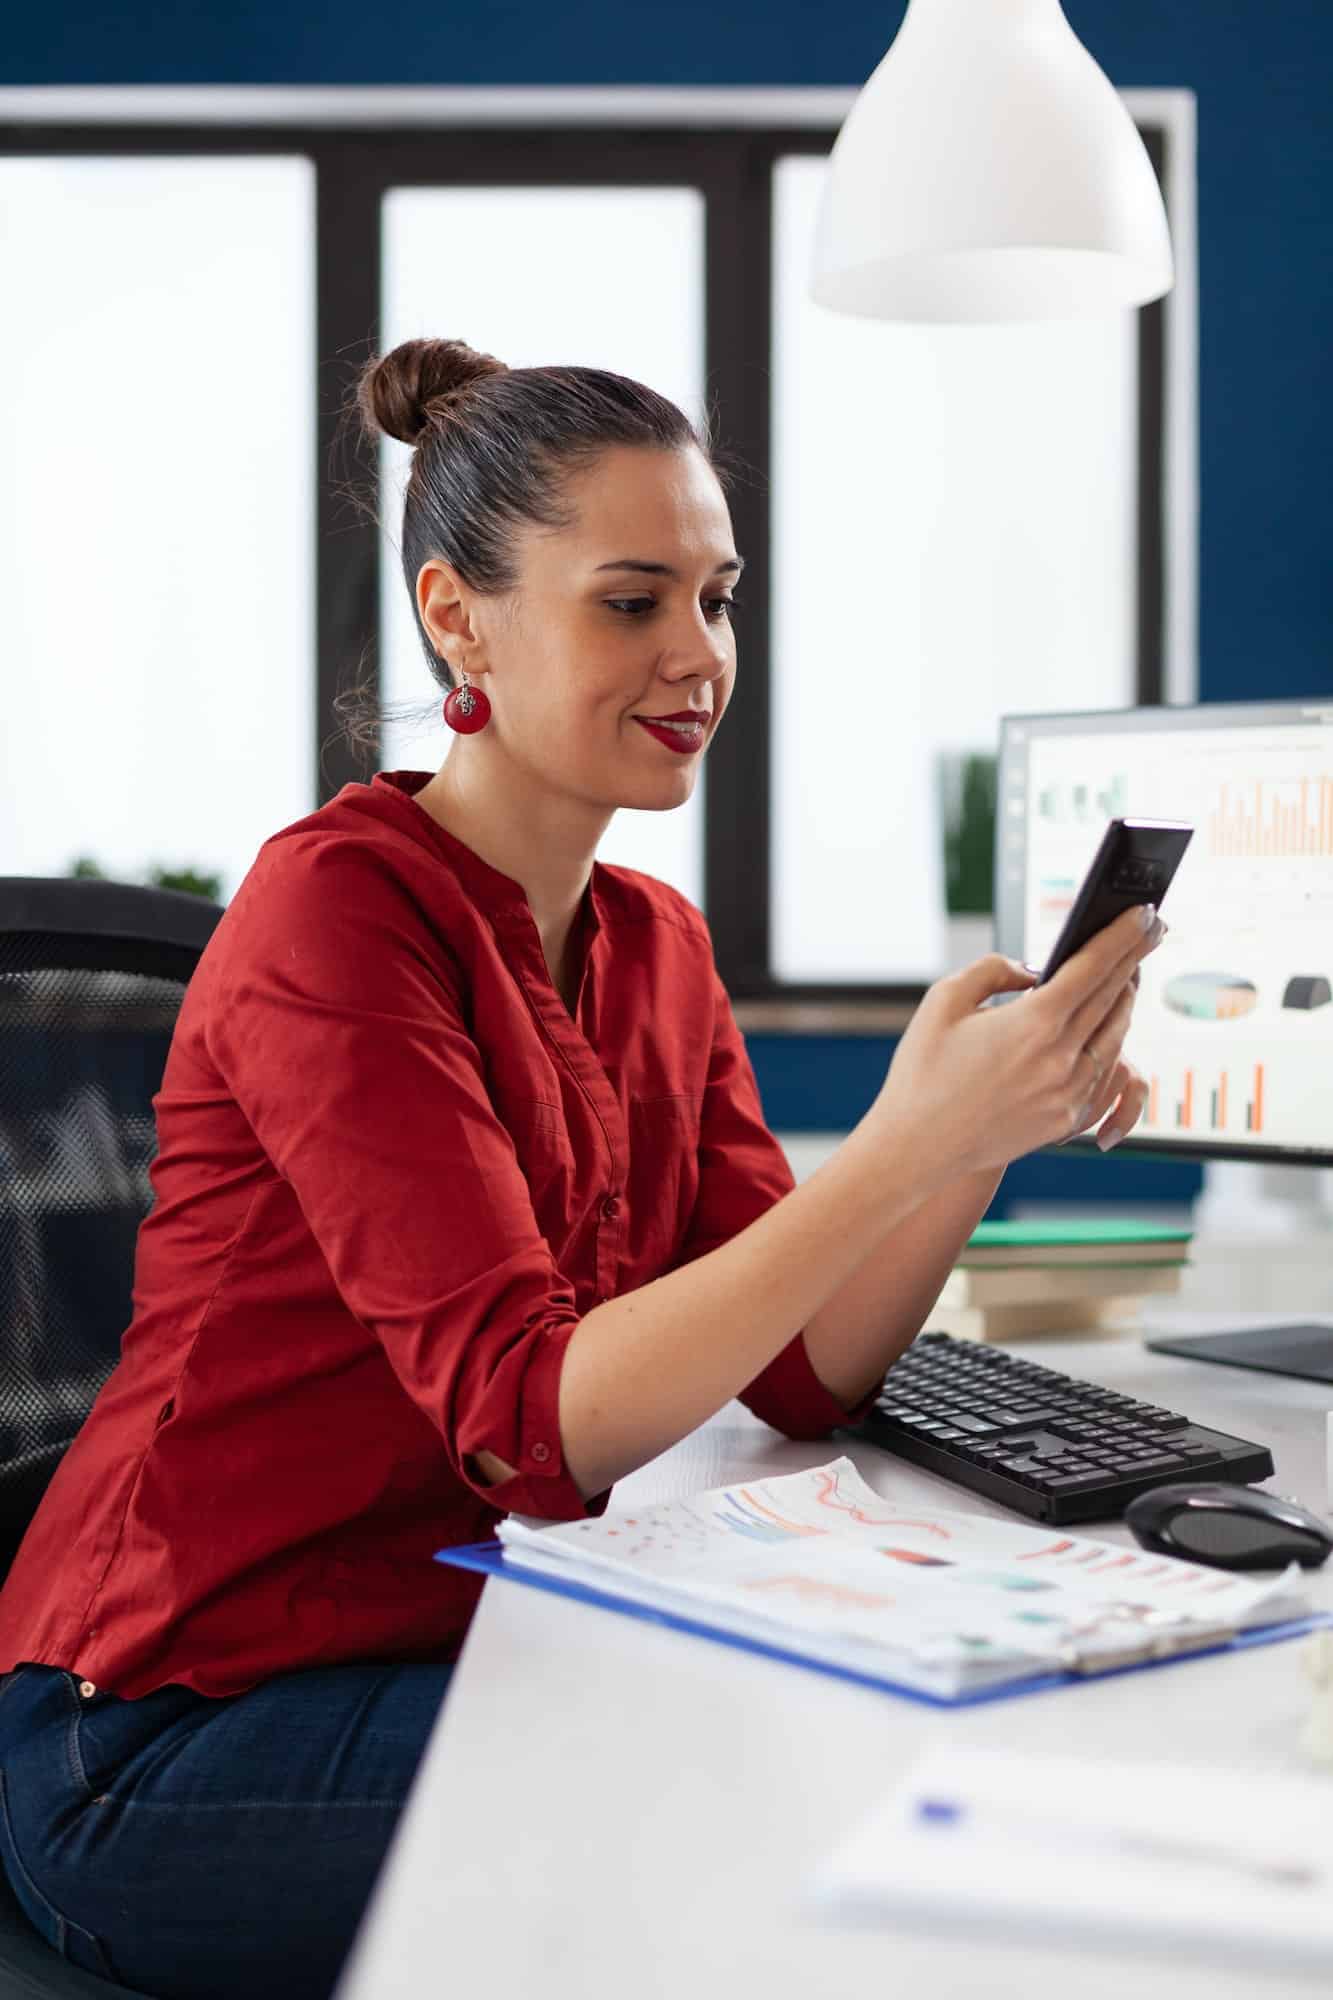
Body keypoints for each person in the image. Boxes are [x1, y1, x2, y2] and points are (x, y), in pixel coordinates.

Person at [0, 337, 1158, 2000]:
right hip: (164, 1737)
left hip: (440, 1651)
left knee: (872, 1753)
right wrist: (909, 1139)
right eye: (632, 602)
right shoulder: (335, 913)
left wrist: (971, 1138)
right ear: (455, 617)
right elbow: (532, 1428)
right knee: (807, 1820)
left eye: (719, 596)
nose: (698, 654)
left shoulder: (655, 943)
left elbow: (804, 1373)